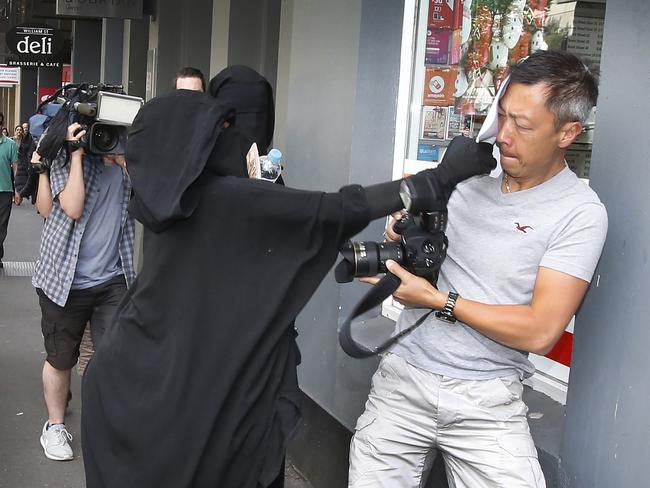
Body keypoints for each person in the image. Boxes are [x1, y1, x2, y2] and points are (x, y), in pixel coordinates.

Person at [348, 50, 608, 488]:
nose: (504, 135)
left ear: (569, 132)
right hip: (403, 379)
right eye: (502, 117)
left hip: (487, 398)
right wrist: (400, 235)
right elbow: (409, 244)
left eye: (523, 125)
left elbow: (541, 331)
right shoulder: (467, 177)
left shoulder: (579, 213)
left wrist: (439, 301)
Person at [31, 104, 136, 461]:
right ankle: (55, 425)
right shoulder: (64, 159)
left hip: (113, 277)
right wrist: (77, 154)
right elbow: (72, 207)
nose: (104, 139)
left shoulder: (123, 167)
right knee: (61, 358)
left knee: (112, 357)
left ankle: (105, 425)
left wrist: (126, 162)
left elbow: (153, 201)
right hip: (64, 278)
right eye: (99, 132)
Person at [0, 125, 19, 268]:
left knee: (2, 225)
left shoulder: (11, 145)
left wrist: (17, 190)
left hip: (5, 191)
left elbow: (16, 168)